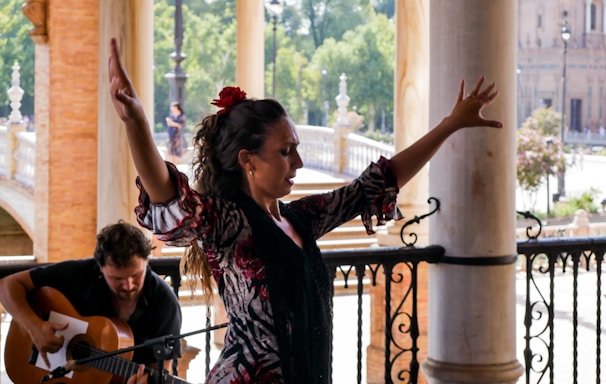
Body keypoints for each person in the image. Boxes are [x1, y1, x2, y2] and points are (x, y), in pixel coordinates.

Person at [107, 37, 502, 384]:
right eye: (284, 151)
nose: (297, 162)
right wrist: (136, 121)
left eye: (295, 148)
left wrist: (450, 125)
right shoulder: (231, 224)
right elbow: (168, 196)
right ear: (248, 160)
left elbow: (376, 182)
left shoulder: (299, 219)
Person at [0, 220, 182, 383]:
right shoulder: (82, 273)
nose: (128, 285)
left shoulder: (164, 305)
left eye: (136, 275)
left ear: (146, 263)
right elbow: (8, 285)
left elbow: (160, 371)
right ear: (101, 268)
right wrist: (34, 327)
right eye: (117, 279)